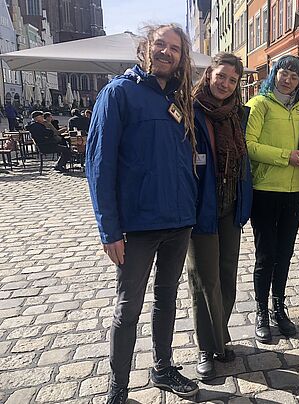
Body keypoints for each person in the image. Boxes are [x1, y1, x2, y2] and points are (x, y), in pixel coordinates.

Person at [86, 24, 200, 403]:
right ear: (146, 48)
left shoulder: (181, 99)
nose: (167, 52)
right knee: (128, 307)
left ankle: (163, 369)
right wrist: (109, 229)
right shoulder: (119, 93)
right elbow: (99, 165)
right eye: (160, 45)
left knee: (166, 300)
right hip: (136, 226)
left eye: (175, 49)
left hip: (179, 220)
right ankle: (118, 387)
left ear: (182, 58)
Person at [187, 52, 252, 380]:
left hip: (230, 206)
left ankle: (220, 336)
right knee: (204, 280)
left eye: (232, 79)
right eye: (221, 76)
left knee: (226, 275)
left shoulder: (237, 114)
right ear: (209, 74)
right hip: (201, 210)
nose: (225, 84)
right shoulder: (190, 110)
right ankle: (204, 346)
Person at [245, 55, 299, 343]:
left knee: (284, 253)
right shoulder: (258, 105)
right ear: (274, 74)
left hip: (294, 191)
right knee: (266, 254)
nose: (288, 79)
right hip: (265, 190)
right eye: (284, 73)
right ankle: (261, 310)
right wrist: (287, 157)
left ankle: (278, 308)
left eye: (294, 77)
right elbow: (248, 145)